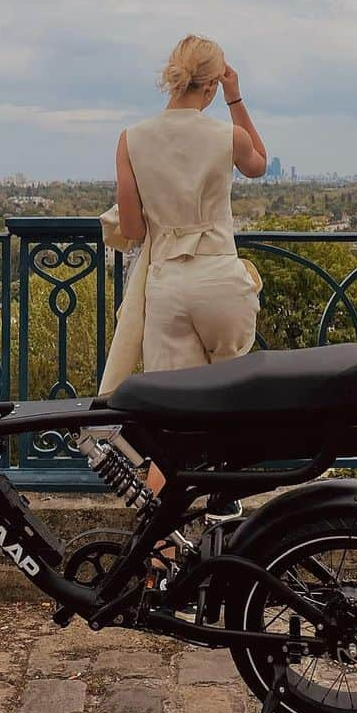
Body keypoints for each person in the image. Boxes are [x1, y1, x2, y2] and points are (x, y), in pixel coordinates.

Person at [104, 34, 268, 540]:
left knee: (172, 433)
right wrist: (237, 98)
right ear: (214, 84)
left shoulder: (131, 138)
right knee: (234, 407)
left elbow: (132, 231)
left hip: (169, 287)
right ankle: (227, 515)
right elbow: (259, 163)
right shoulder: (224, 135)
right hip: (219, 279)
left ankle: (161, 558)